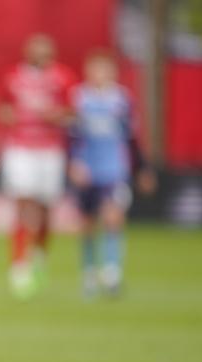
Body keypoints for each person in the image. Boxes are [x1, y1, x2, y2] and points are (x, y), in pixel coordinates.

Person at [68, 50, 156, 297]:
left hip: (113, 169)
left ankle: (112, 272)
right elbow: (71, 136)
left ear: (112, 72)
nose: (99, 75)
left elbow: (132, 138)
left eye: (104, 69)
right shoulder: (79, 98)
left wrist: (143, 168)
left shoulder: (121, 100)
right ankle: (88, 274)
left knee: (113, 217)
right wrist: (74, 163)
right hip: (86, 170)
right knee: (86, 224)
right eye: (95, 69)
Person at [0, 34, 74, 299]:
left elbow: (72, 112)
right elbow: (1, 108)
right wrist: (9, 115)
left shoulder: (62, 77)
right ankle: (19, 267)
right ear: (27, 51)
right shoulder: (14, 76)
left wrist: (55, 115)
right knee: (22, 203)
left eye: (45, 50)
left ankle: (39, 256)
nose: (40, 54)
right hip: (21, 148)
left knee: (45, 209)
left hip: (50, 150)